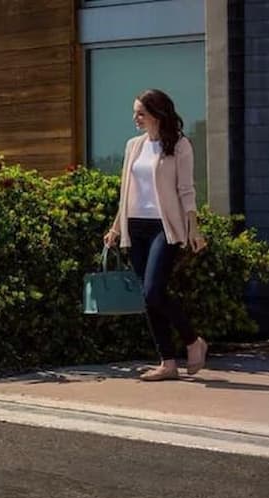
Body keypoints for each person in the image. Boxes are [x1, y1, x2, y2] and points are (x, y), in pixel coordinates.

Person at [102, 89, 208, 381]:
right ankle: (168, 363)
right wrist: (115, 227)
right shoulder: (133, 146)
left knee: (153, 290)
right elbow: (126, 192)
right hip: (135, 226)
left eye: (140, 113)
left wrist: (193, 229)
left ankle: (192, 341)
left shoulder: (180, 145)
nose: (135, 118)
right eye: (135, 112)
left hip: (165, 227)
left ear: (157, 115)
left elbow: (186, 191)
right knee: (149, 298)